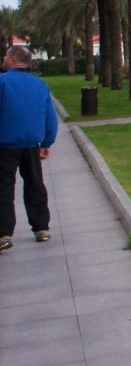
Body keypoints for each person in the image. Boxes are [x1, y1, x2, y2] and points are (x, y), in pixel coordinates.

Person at [0, 45, 58, 253]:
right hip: (32, 145)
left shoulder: (2, 82)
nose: (3, 58)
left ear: (13, 59)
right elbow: (50, 116)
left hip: (5, 145)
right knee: (35, 184)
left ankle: (4, 233)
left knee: (4, 188)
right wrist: (47, 142)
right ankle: (41, 227)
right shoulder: (40, 85)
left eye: (5, 56)